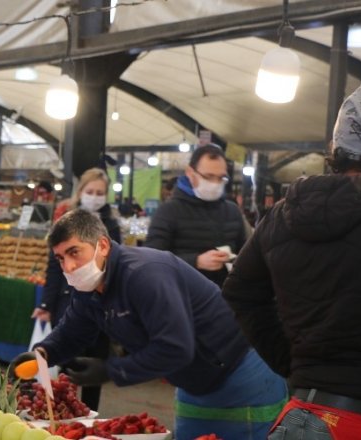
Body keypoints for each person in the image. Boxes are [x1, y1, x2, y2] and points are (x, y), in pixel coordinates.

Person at [223, 81, 361, 439]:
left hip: (298, 418)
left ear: (336, 147)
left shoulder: (279, 216)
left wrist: (292, 363)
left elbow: (240, 293)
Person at [16, 209, 287, 439]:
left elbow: (175, 347)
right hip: (193, 383)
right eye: (61, 258)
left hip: (241, 377)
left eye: (75, 252)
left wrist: (111, 371)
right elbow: (72, 332)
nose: (70, 267)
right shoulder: (89, 288)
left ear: (104, 245)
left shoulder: (145, 275)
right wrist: (43, 353)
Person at [32, 168, 120, 410]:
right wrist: (46, 303)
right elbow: (53, 265)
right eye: (90, 191)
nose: (95, 196)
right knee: (66, 364)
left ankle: (90, 416)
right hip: (68, 301)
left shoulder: (110, 224)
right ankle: (63, 414)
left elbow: (116, 265)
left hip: (101, 305)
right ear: (80, 191)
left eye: (100, 193)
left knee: (93, 369)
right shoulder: (65, 222)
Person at [144, 145, 246, 286]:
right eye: (208, 177)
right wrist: (196, 261)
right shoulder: (169, 211)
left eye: (221, 178)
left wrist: (232, 260)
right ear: (190, 173)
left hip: (223, 295)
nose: (215, 183)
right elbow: (151, 259)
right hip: (182, 294)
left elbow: (246, 255)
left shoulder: (232, 211)